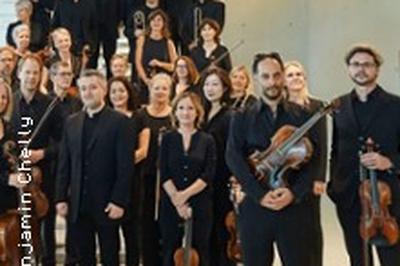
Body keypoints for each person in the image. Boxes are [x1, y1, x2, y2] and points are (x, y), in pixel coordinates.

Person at [225, 52, 318, 266]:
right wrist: (259, 194)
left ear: (283, 77)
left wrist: (293, 193)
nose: (272, 82)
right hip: (255, 206)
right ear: (256, 79)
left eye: (276, 76)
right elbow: (233, 157)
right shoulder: (241, 116)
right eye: (265, 76)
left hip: (293, 208)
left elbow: (315, 161)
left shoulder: (302, 115)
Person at [328, 44, 400, 266]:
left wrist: (389, 162)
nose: (361, 69)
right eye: (355, 64)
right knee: (357, 259)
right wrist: (334, 187)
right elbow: (335, 150)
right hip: (349, 195)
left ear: (377, 69)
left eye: (367, 64)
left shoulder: (395, 105)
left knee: (393, 259)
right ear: (348, 69)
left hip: (389, 197)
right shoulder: (339, 106)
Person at [55, 69, 134, 265]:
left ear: (104, 90)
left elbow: (125, 166)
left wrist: (119, 201)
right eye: (83, 88)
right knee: (84, 257)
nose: (87, 92)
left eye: (93, 87)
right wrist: (60, 197)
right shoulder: (71, 122)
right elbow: (65, 163)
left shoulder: (120, 122)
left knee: (110, 257)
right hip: (79, 204)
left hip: (108, 204)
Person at [11, 54, 62, 266]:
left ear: (41, 75)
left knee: (46, 225)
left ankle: (47, 260)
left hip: (42, 176)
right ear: (19, 74)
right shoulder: (9, 103)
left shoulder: (51, 105)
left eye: (36, 72)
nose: (31, 77)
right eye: (28, 72)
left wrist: (42, 154)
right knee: (16, 224)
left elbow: (63, 144)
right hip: (13, 175)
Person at [159, 91, 216, 266]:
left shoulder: (207, 140)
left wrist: (184, 196)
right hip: (171, 203)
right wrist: (177, 201)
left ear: (197, 112)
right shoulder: (167, 138)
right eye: (181, 108)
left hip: (200, 203)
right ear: (175, 112)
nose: (185, 112)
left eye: (190, 108)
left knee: (201, 251)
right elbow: (164, 171)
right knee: (170, 251)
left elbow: (208, 174)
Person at [284, 60, 327, 266]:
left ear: (304, 78)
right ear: (284, 81)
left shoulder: (317, 106)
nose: (295, 78)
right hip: (289, 172)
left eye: (299, 74)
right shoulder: (281, 108)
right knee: (292, 230)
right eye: (290, 75)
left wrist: (320, 177)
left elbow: (322, 144)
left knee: (312, 229)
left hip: (311, 176)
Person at [134, 73, 173, 266]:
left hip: (169, 180)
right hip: (145, 177)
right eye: (156, 88)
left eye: (164, 88)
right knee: (146, 224)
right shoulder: (141, 115)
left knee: (167, 226)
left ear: (170, 92)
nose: (160, 92)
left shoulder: (174, 115)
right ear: (150, 90)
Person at [107, 76, 144, 266]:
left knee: (132, 235)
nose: (117, 95)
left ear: (129, 92)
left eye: (121, 90)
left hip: (133, 180)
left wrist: (122, 165)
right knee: (110, 236)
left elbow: (143, 151)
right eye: (113, 91)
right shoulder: (104, 117)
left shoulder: (138, 117)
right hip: (108, 182)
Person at [199, 67, 234, 266]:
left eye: (215, 84)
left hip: (221, 181)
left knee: (222, 235)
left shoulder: (230, 115)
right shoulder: (199, 113)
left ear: (224, 88)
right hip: (202, 181)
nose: (210, 89)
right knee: (205, 236)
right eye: (206, 84)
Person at [135, 9, 177, 104]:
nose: (156, 23)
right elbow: (138, 62)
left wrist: (160, 64)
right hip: (146, 80)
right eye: (153, 20)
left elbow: (174, 66)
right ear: (149, 23)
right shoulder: (142, 40)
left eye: (159, 20)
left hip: (163, 82)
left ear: (163, 23)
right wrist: (146, 80)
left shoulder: (168, 42)